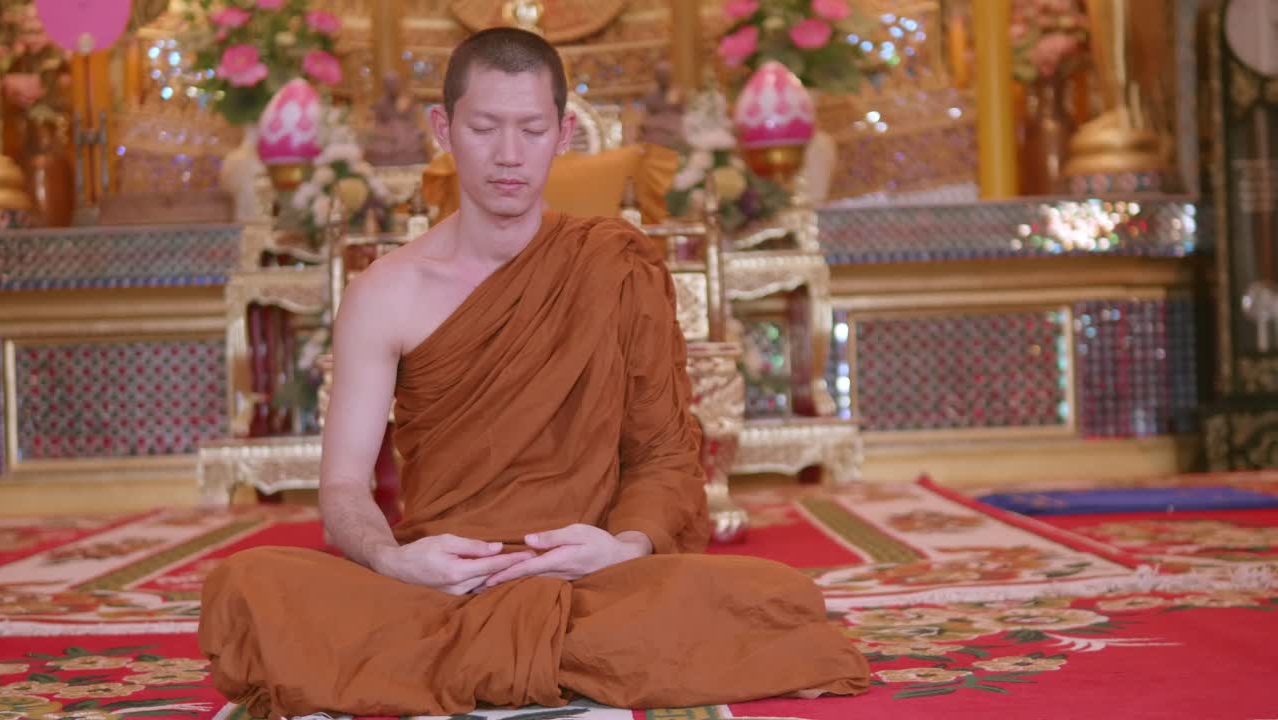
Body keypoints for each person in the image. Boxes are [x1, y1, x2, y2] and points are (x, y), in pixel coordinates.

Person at [198, 27, 869, 720]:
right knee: (246, 589)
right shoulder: (386, 292)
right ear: (444, 129)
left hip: (590, 581)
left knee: (778, 598)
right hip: (441, 585)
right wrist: (396, 561)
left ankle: (477, 657)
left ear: (563, 133)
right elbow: (342, 487)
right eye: (485, 128)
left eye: (531, 128)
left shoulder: (613, 266)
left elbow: (665, 458)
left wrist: (621, 546)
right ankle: (523, 654)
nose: (509, 155)